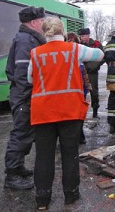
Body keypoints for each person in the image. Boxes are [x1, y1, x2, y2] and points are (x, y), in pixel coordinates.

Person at [28, 17, 104, 210]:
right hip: (70, 111)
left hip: (43, 112)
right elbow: (99, 55)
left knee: (43, 156)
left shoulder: (35, 53)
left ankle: (42, 200)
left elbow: (30, 78)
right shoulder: (74, 49)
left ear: (44, 32)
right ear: (62, 31)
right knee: (70, 154)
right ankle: (70, 195)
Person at [4, 6, 46, 190]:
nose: (44, 24)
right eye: (42, 21)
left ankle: (18, 167)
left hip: (25, 95)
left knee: (26, 134)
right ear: (34, 22)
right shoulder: (26, 40)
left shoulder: (28, 38)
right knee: (21, 134)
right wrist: (29, 97)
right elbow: (23, 74)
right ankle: (12, 176)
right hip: (24, 96)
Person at [66, 32, 91, 144]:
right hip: (69, 91)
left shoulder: (80, 58)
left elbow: (84, 74)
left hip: (81, 90)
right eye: (69, 40)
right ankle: (72, 136)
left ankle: (80, 135)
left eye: (73, 41)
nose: (71, 43)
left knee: (79, 113)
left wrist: (87, 85)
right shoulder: (64, 57)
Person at [78, 28, 104, 119]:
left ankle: (95, 111)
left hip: (92, 72)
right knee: (81, 92)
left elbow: (102, 56)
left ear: (88, 35)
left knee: (94, 92)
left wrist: (94, 66)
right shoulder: (79, 45)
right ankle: (80, 112)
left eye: (83, 36)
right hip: (80, 72)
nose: (81, 38)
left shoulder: (96, 44)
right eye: (80, 36)